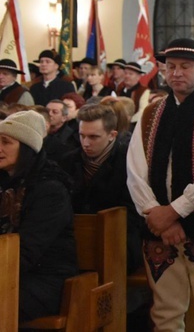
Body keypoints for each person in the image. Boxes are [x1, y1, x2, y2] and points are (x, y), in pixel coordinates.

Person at [126, 38, 194, 331]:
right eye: (171, 66)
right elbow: (135, 171)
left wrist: (173, 211)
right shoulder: (150, 113)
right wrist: (155, 212)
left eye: (185, 67)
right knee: (165, 313)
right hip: (157, 230)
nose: (175, 73)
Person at [0, 111, 78, 321]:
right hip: (7, 272)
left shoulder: (50, 188)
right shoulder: (5, 182)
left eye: (6, 142)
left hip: (45, 278)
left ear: (26, 148)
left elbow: (29, 247)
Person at [60, 104, 144, 273]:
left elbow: (133, 212)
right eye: (82, 135)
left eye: (93, 137)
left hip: (118, 239)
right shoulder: (67, 161)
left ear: (112, 135)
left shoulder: (129, 162)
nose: (86, 143)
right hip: (75, 239)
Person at [43, 99, 79, 163]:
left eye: (55, 112)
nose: (49, 114)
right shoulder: (39, 131)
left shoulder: (70, 137)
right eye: (47, 111)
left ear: (64, 118)